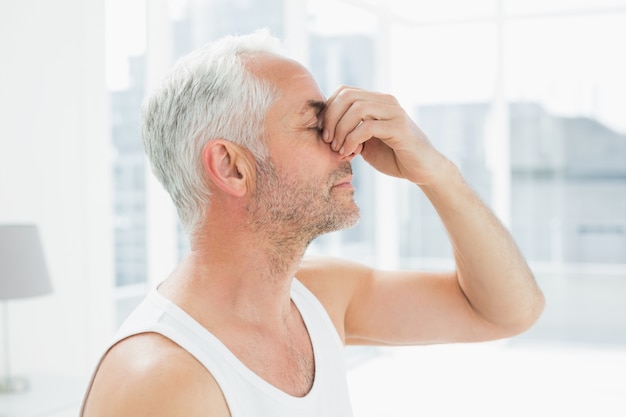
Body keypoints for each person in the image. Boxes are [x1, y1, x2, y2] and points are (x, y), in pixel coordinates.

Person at [81, 31, 544, 416]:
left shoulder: (319, 298)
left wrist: (435, 170)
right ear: (232, 167)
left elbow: (506, 311)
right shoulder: (161, 381)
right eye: (314, 126)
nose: (350, 146)